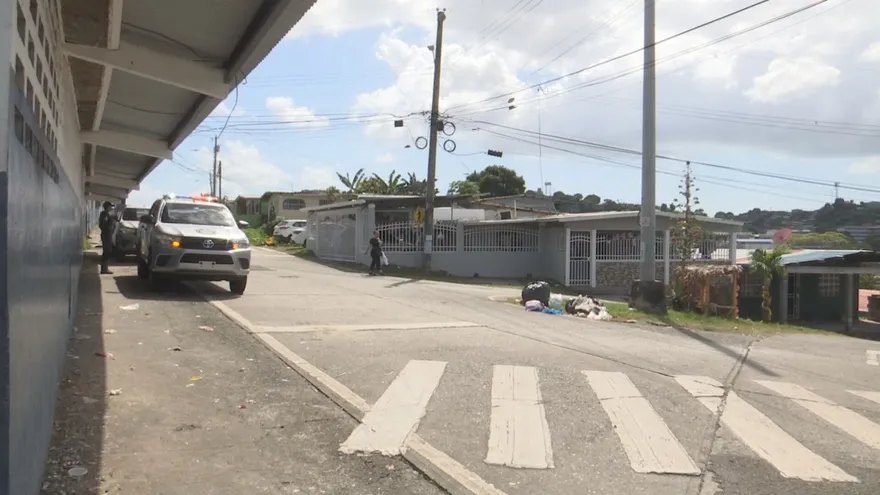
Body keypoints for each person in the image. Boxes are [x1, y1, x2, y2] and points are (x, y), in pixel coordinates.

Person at [98, 201, 116, 274]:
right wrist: (108, 228)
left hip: (108, 234)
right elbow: (103, 224)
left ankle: (105, 268)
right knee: (106, 251)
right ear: (107, 207)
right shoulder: (105, 214)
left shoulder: (107, 214)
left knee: (107, 251)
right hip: (106, 235)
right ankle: (104, 269)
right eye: (110, 206)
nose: (111, 208)